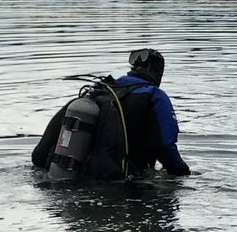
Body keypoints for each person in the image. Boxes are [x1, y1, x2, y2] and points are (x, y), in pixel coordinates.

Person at [32, 46, 193, 179]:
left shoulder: (103, 90)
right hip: (116, 184)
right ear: (158, 74)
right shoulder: (155, 96)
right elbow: (165, 145)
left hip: (74, 175)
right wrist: (183, 174)